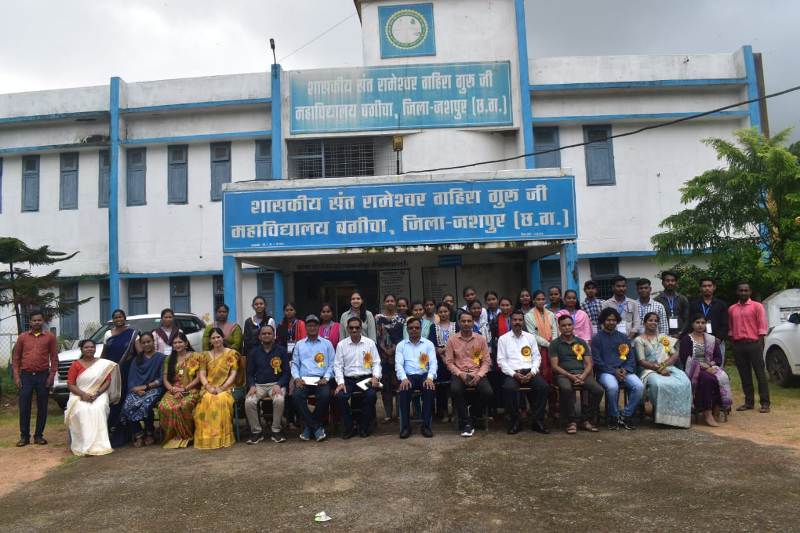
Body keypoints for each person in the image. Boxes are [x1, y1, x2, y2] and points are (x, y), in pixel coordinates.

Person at [633, 312, 692, 428]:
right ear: (644, 323)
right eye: (650, 320)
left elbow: (674, 355)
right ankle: (662, 418)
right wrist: (658, 369)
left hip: (667, 367)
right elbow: (642, 361)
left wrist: (664, 365)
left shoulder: (663, 337)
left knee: (684, 382)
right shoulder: (639, 340)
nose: (653, 323)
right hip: (648, 370)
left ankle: (678, 418)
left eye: (655, 321)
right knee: (659, 384)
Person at [64, 339, 121, 456]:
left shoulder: (102, 364)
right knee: (82, 410)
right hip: (79, 394)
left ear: (95, 349)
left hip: (99, 394)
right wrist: (83, 394)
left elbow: (107, 382)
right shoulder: (75, 365)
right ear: (82, 350)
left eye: (92, 347)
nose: (89, 349)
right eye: (86, 347)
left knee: (99, 409)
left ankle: (101, 444)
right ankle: (85, 445)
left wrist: (97, 393)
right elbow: (70, 384)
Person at [496, 310, 549, 434]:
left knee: (543, 387)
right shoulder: (503, 339)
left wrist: (533, 372)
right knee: (508, 388)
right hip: (512, 373)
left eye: (520, 320)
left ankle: (537, 421)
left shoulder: (530, 337)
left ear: (523, 321)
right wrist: (514, 374)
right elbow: (501, 361)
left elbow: (537, 357)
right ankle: (515, 421)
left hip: (530, 372)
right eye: (515, 320)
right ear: (511, 321)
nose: (517, 322)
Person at [12, 309, 59, 447]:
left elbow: (54, 358)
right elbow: (16, 358)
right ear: (30, 322)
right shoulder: (22, 337)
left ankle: (39, 435)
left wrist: (51, 376)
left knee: (42, 407)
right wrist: (16, 376)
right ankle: (24, 437)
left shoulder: (50, 337)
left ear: (43, 321)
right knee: (24, 406)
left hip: (43, 376)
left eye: (39, 320)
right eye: (34, 320)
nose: (37, 322)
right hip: (25, 376)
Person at [549, 315, 603, 433]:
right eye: (563, 326)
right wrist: (571, 376)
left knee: (598, 390)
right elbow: (555, 366)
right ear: (559, 328)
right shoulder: (554, 344)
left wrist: (583, 376)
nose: (567, 328)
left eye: (569, 325)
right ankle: (571, 421)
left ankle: (586, 419)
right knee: (566, 388)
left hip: (581, 374)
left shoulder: (581, 342)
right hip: (563, 375)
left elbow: (589, 363)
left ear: (573, 326)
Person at [592, 308, 644, 430]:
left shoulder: (623, 337)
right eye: (608, 320)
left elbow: (631, 357)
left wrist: (625, 369)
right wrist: (613, 371)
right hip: (605, 372)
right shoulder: (597, 338)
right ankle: (613, 416)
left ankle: (626, 415)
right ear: (603, 321)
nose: (611, 322)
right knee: (612, 387)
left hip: (624, 370)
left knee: (639, 386)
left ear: (617, 321)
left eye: (614, 320)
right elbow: (597, 361)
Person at [680, 314, 733, 426]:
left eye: (703, 323)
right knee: (708, 379)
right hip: (692, 370)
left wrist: (709, 365)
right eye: (697, 322)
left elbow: (718, 358)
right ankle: (708, 413)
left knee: (722, 377)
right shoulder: (686, 339)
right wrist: (701, 367)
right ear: (692, 324)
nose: (700, 325)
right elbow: (685, 358)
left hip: (710, 367)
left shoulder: (711, 339)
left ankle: (717, 407)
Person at [446, 312, 492, 437]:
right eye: (463, 321)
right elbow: (449, 362)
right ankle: (466, 422)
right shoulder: (452, 340)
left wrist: (479, 375)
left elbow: (486, 361)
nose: (466, 324)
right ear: (459, 323)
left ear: (473, 323)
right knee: (455, 389)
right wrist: (460, 374)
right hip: (460, 373)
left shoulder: (480, 339)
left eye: (469, 321)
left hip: (477, 372)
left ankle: (472, 415)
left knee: (488, 392)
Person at [334, 317, 381, 439]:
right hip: (348, 379)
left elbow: (376, 363)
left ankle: (364, 426)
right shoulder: (341, 345)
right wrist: (340, 382)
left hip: (365, 378)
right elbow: (338, 366)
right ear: (347, 329)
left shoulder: (370, 343)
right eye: (351, 328)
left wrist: (375, 377)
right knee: (340, 396)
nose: (354, 330)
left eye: (357, 327)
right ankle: (350, 426)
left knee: (371, 396)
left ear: (361, 328)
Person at [291, 314, 335, 441]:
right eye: (309, 325)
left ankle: (308, 428)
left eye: (315, 325)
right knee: (296, 396)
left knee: (325, 395)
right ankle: (316, 427)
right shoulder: (299, 344)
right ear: (306, 327)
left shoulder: (327, 344)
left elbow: (332, 363)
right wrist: (297, 378)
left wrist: (326, 378)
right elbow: (295, 364)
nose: (312, 328)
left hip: (321, 379)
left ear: (318, 327)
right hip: (304, 380)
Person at [193, 328, 239, 449]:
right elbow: (202, 374)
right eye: (213, 338)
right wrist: (208, 387)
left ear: (223, 338)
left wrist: (222, 388)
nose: (216, 339)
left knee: (221, 399)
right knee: (206, 400)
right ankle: (208, 438)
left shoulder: (231, 353)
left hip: (226, 388)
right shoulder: (205, 356)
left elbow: (233, 374)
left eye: (218, 337)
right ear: (210, 340)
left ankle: (220, 437)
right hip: (209, 387)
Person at [727, 283, 770, 413]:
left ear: (750, 292)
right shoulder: (732, 309)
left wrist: (759, 345)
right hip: (738, 344)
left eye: (746, 290)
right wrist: (734, 342)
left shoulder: (757, 306)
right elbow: (730, 328)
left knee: (760, 374)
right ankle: (749, 402)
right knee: (744, 375)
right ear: (737, 292)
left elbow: (762, 326)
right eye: (741, 290)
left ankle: (765, 403)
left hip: (754, 344)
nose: (743, 293)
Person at [158, 332, 204, 448]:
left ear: (186, 343)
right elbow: (165, 379)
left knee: (183, 405)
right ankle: (171, 436)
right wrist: (173, 390)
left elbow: (199, 378)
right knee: (164, 406)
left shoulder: (196, 356)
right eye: (175, 343)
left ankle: (187, 435)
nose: (177, 345)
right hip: (173, 389)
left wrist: (183, 389)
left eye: (180, 342)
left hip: (191, 389)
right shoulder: (169, 359)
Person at [102, 309, 141, 447]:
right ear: (113, 319)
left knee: (126, 399)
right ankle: (113, 432)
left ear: (125, 318)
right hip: (112, 371)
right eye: (116, 317)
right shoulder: (108, 334)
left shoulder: (133, 334)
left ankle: (129, 432)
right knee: (114, 400)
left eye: (121, 317)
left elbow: (139, 353)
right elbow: (104, 354)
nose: (119, 319)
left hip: (127, 371)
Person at [244, 324, 289, 444]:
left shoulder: (281, 351)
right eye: (264, 333)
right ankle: (256, 432)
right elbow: (249, 373)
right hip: (258, 385)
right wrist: (252, 385)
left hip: (276, 384)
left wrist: (279, 384)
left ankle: (276, 430)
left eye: (269, 333)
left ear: (274, 336)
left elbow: (286, 373)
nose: (266, 335)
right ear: (259, 336)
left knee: (279, 400)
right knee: (249, 401)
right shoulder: (253, 352)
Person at [120, 332, 166, 447]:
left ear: (153, 342)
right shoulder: (136, 360)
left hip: (155, 389)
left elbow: (161, 379)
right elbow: (131, 379)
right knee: (127, 405)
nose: (146, 344)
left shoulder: (161, 358)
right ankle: (138, 433)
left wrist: (146, 387)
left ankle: (150, 433)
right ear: (140, 344)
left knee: (146, 405)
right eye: (144, 342)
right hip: (137, 390)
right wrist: (136, 390)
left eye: (149, 341)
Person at [396, 317, 438, 439]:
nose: (414, 330)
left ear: (420, 329)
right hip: (408, 376)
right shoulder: (401, 345)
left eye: (417, 327)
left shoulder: (428, 344)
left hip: (425, 375)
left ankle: (426, 426)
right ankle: (405, 427)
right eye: (411, 328)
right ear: (407, 329)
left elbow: (434, 363)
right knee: (403, 392)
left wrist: (430, 378)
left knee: (429, 390)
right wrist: (403, 378)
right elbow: (398, 364)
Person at [376, 294, 405, 422]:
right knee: (385, 386)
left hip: (398, 355)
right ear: (384, 303)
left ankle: (399, 412)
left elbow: (403, 337)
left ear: (395, 303)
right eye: (387, 301)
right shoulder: (378, 318)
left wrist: (393, 349)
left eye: (392, 301)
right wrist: (384, 349)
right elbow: (376, 336)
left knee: (398, 384)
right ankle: (388, 413)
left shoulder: (401, 319)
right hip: (382, 356)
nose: (390, 303)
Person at [429, 302, 456, 422]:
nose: (443, 314)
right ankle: (444, 412)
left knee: (455, 386)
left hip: (455, 360)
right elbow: (431, 344)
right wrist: (442, 356)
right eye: (440, 312)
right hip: (439, 361)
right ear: (437, 313)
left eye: (445, 311)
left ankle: (456, 412)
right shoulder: (433, 327)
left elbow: (458, 342)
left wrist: (446, 350)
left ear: (449, 312)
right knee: (441, 388)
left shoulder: (456, 326)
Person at [687, 277, 728, 355]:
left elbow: (725, 323)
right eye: (704, 286)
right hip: (698, 340)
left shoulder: (721, 304)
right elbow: (690, 322)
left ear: (714, 287)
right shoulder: (693, 304)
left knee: (717, 365)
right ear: (700, 288)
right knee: (700, 364)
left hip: (716, 340)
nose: (707, 288)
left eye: (709, 286)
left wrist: (719, 338)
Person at [524, 290, 557, 385]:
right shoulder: (528, 316)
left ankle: (553, 398)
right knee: (541, 371)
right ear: (533, 301)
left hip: (552, 347)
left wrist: (553, 343)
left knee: (553, 372)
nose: (541, 301)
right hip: (538, 347)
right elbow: (532, 334)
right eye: (538, 299)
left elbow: (555, 330)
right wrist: (548, 344)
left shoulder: (551, 314)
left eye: (543, 299)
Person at [655, 270, 689, 336]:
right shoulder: (657, 300)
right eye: (667, 281)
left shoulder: (682, 299)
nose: (670, 283)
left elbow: (687, 318)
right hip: (664, 335)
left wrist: (682, 332)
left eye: (672, 281)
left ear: (676, 282)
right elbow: (655, 320)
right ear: (663, 283)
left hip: (680, 335)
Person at [242, 296, 276, 361]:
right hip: (251, 355)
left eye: (261, 304)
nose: (259, 306)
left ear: (265, 305)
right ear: (252, 306)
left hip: (267, 354)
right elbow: (246, 341)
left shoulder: (270, 320)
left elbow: (273, 339)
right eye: (256, 304)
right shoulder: (248, 321)